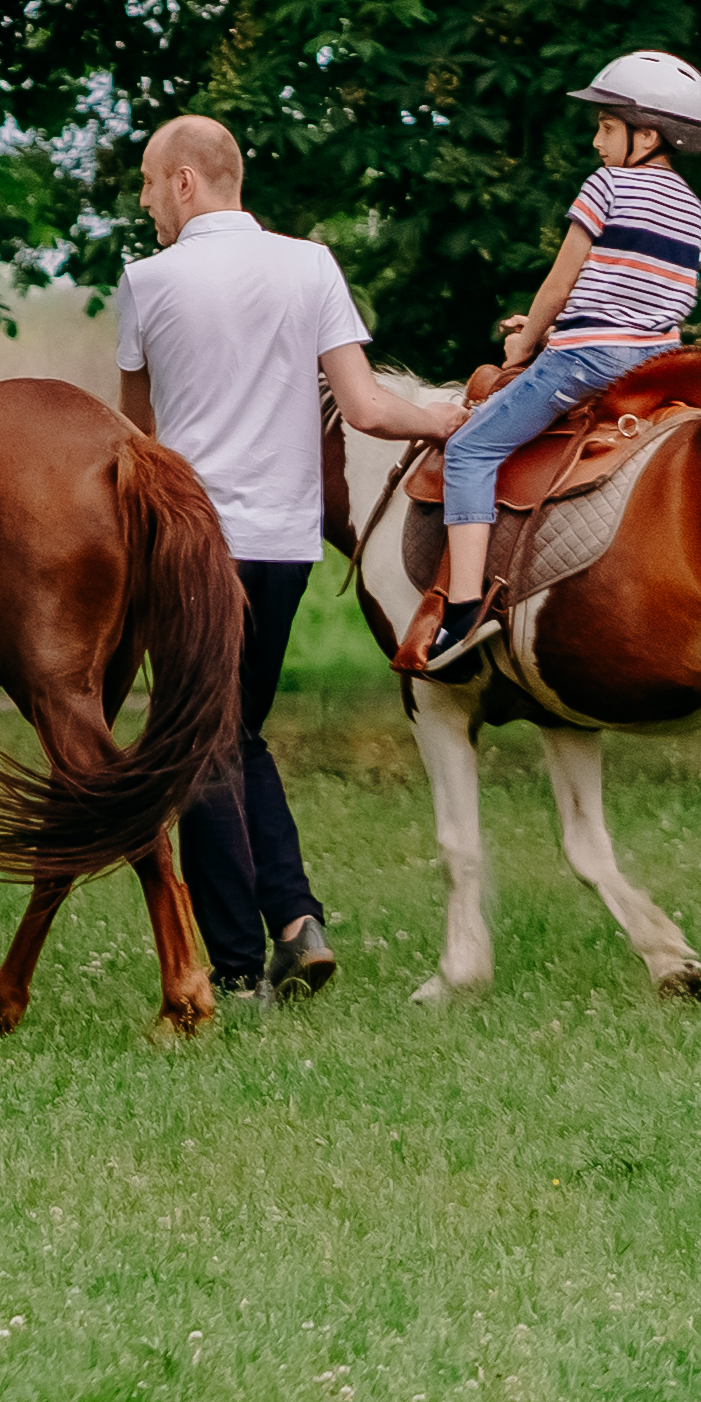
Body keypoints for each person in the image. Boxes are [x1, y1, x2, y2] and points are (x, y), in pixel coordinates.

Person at [112, 114, 467, 999]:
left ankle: (235, 971)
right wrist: (446, 419)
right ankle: (298, 922)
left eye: (152, 182)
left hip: (194, 544)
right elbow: (367, 406)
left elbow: (134, 435)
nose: (147, 200)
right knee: (235, 734)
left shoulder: (147, 281)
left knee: (199, 746)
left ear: (188, 182)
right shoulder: (312, 265)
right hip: (284, 542)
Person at [414, 49, 701, 677]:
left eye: (607, 126)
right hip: (656, 361)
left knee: (470, 449)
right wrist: (559, 324)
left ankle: (464, 610)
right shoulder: (694, 211)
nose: (596, 138)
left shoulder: (607, 184)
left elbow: (561, 280)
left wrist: (528, 340)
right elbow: (639, 296)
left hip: (587, 360)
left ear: (647, 134)